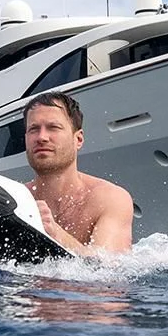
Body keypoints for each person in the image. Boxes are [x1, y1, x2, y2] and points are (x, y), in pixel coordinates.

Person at [23, 91, 133, 257]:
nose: (42, 137)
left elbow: (109, 271)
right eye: (34, 129)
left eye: (53, 127)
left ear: (78, 139)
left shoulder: (110, 199)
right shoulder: (16, 200)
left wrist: (55, 233)